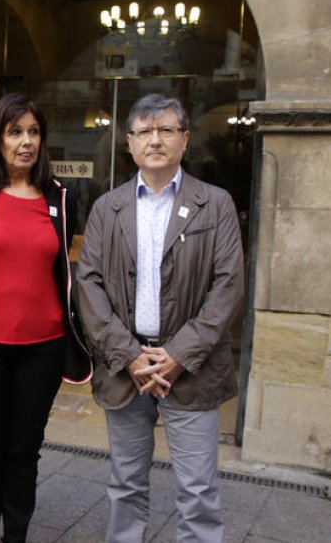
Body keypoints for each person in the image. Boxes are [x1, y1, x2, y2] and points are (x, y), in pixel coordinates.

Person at [75, 93, 245, 543]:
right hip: (126, 369)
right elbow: (88, 287)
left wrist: (177, 355)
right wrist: (130, 355)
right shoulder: (106, 208)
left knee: (197, 489)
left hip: (192, 369)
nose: (156, 140)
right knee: (126, 485)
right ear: (129, 143)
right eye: (145, 132)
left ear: (184, 140)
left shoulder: (216, 203)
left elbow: (228, 287)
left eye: (166, 130)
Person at [0, 94, 93, 542]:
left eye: (33, 132)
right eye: (15, 132)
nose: (25, 142)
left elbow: (60, 264)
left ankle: (16, 537)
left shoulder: (61, 199)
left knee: (25, 452)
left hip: (43, 349)